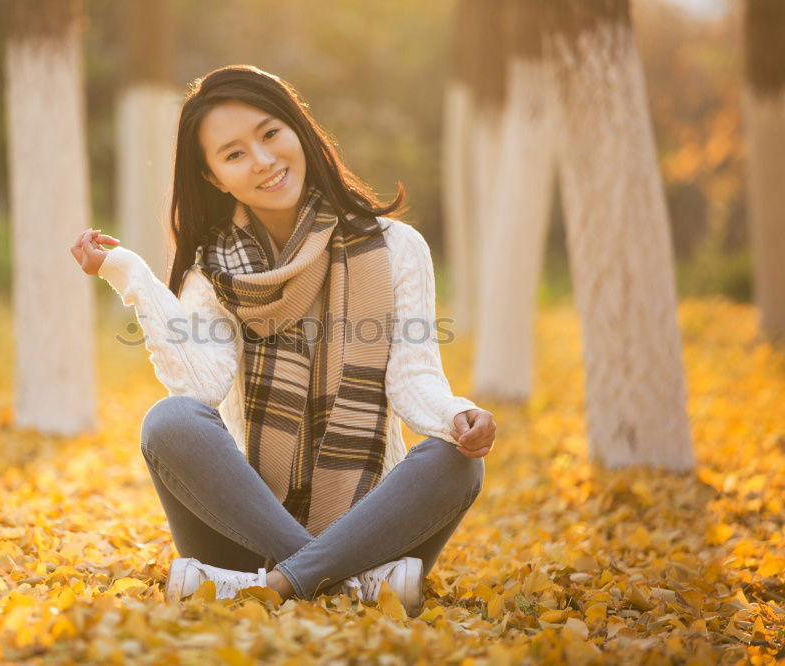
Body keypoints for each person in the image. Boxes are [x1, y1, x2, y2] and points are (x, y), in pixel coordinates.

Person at [70, 65, 495, 617]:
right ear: (216, 178)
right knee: (169, 422)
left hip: (372, 528)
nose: (264, 161)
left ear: (299, 130)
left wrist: (458, 415)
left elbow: (414, 380)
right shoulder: (215, 272)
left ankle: (268, 585)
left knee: (458, 461)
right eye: (234, 154)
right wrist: (127, 272)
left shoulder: (396, 248)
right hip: (244, 531)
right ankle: (347, 584)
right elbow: (201, 384)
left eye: (270, 134)